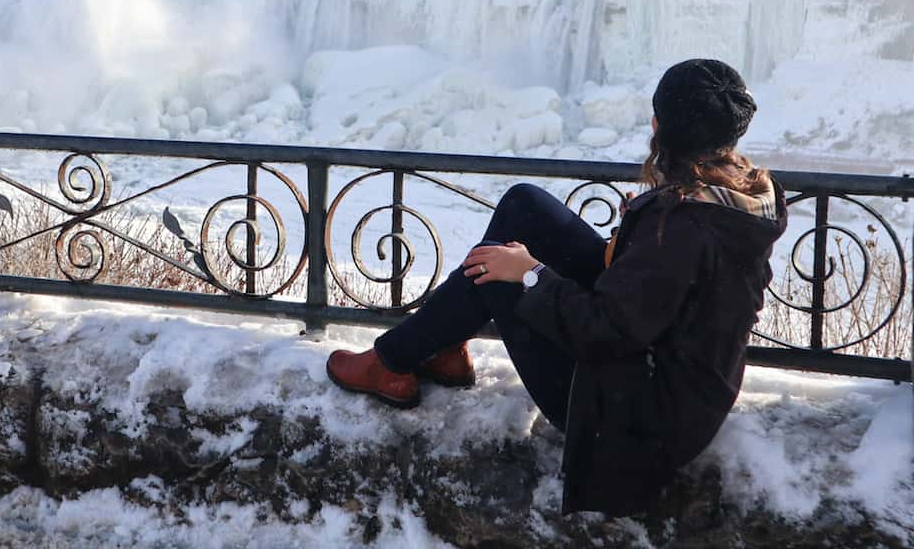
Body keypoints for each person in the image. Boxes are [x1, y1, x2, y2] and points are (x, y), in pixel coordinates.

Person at [325, 58, 787, 516]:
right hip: (668, 380)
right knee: (525, 206)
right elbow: (668, 295)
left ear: (659, 125)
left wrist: (530, 275)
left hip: (634, 420)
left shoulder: (682, 227)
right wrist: (635, 238)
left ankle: (393, 360)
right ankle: (440, 347)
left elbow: (605, 330)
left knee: (496, 267)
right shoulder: (737, 198)